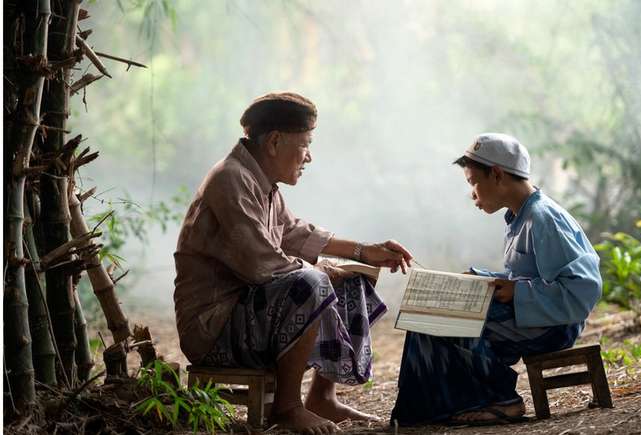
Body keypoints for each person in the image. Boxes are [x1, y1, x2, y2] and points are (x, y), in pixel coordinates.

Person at [174, 92, 413, 435]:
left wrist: (363, 252)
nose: (309, 157)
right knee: (313, 282)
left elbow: (295, 233)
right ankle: (286, 407)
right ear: (274, 142)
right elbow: (262, 262)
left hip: (248, 316)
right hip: (214, 330)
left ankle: (322, 397)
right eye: (305, 144)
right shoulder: (231, 178)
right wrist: (326, 269)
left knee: (351, 280)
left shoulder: (261, 182)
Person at [390, 132, 602, 427]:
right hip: (534, 316)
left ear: (497, 174)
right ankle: (427, 410)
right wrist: (483, 280)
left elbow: (582, 291)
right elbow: (527, 278)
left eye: (472, 182)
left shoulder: (543, 218)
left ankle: (501, 400)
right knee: (425, 314)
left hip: (554, 324)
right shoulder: (520, 217)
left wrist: (518, 292)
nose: (472, 193)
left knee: (450, 318)